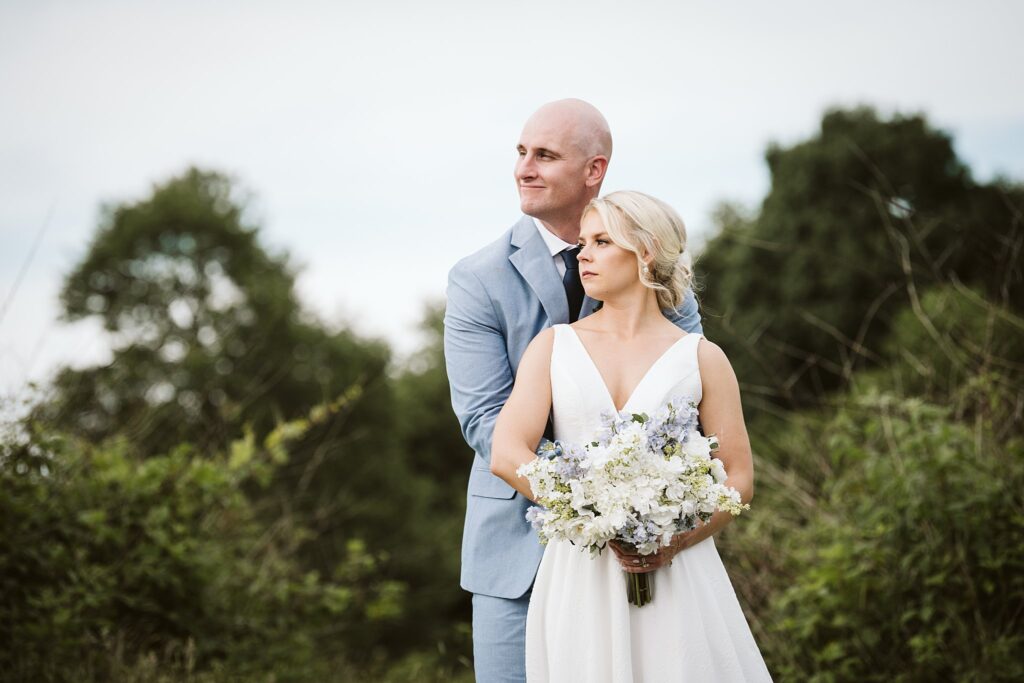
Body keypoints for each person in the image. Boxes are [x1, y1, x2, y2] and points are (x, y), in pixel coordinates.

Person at [443, 101, 702, 682]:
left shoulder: (655, 272)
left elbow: (689, 403)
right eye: (521, 152)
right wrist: (593, 501)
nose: (524, 168)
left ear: (594, 170)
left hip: (641, 546)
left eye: (545, 156)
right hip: (515, 554)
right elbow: (484, 420)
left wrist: (638, 509)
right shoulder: (476, 279)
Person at [490, 191, 772, 682]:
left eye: (601, 242)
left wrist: (674, 542)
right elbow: (506, 452)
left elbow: (740, 480)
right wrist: (587, 512)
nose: (583, 254)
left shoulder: (702, 358)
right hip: (580, 570)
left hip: (678, 573)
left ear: (645, 252)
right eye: (583, 242)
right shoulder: (553, 347)